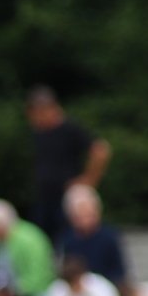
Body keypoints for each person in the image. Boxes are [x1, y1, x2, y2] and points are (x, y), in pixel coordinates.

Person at [25, 85, 112, 242]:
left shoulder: (69, 129)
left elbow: (100, 150)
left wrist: (88, 181)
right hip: (45, 197)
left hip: (66, 199)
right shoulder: (40, 132)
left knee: (67, 240)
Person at [0, 199, 56, 296]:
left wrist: (14, 292)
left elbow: (40, 276)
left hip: (33, 295)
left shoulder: (29, 238)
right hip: (3, 294)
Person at [58, 184, 130, 287]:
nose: (85, 220)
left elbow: (119, 273)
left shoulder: (109, 237)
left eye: (88, 214)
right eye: (80, 216)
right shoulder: (68, 240)